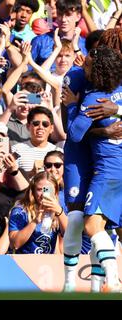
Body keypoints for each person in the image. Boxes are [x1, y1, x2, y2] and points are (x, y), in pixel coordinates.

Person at [66, 46, 122, 292]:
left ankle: (113, 280)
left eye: (87, 64)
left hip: (107, 171)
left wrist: (71, 106)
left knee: (91, 225)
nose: (83, 67)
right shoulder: (120, 92)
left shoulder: (93, 99)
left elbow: (75, 134)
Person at [8, 171, 68, 254]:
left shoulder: (59, 209)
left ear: (56, 192)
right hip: (24, 263)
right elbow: (14, 244)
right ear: (32, 191)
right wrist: (35, 221)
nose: (44, 194)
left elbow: (71, 237)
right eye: (40, 189)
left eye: (48, 190)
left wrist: (60, 213)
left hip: (47, 264)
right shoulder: (20, 211)